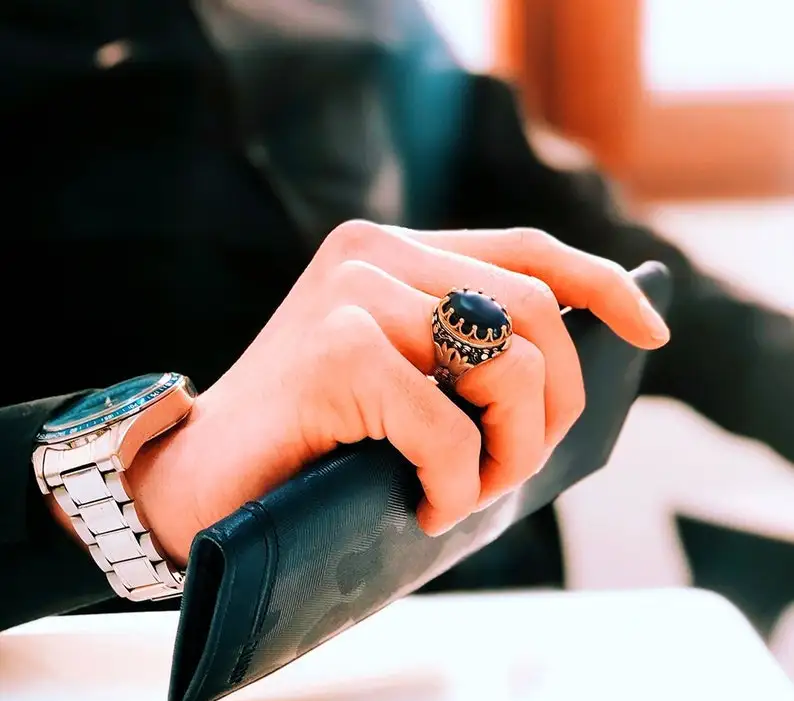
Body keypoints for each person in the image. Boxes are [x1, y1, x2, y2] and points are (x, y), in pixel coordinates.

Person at [2, 0, 793, 625]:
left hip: (488, 640)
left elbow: (627, 280)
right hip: (132, 687)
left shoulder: (388, 31)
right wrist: (138, 484)